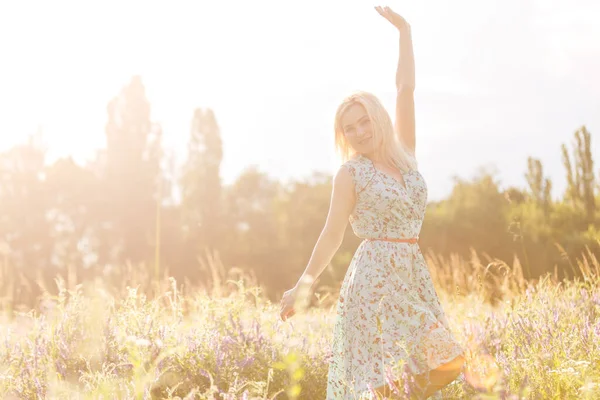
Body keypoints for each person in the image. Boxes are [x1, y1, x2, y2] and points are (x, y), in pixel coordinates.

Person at [279, 5, 466, 399]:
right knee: (414, 369)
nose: (359, 131)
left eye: (364, 121)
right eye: (350, 128)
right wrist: (303, 285)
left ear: (378, 118)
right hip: (373, 279)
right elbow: (331, 234)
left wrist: (405, 31)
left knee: (439, 365)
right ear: (343, 136)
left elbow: (405, 89)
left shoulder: (405, 153)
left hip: (411, 273)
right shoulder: (350, 174)